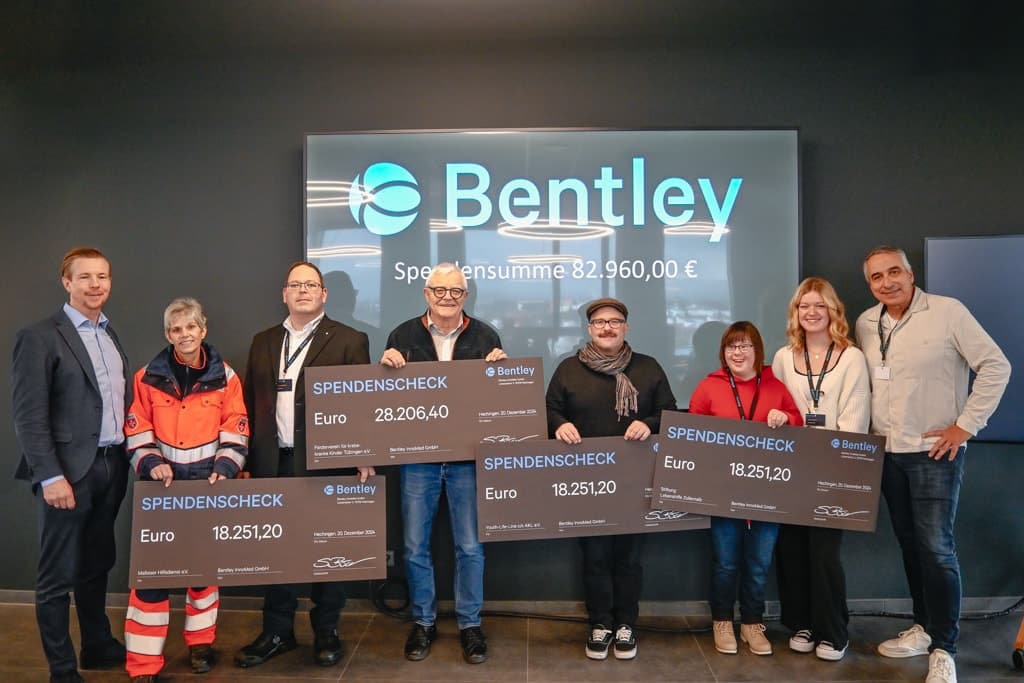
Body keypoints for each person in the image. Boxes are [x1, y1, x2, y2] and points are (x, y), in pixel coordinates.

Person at [855, 246, 1010, 683]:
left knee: (937, 550)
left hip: (934, 453)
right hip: (886, 453)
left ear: (911, 273)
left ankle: (945, 649)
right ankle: (923, 628)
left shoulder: (948, 312)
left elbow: (996, 366)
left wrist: (965, 426)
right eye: (876, 277)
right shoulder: (867, 323)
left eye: (894, 272)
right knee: (910, 545)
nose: (887, 282)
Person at [235, 261, 372, 669]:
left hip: (325, 462)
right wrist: (245, 458)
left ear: (324, 294)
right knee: (275, 549)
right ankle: (277, 631)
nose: (303, 291)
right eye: (295, 285)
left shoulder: (350, 340)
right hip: (272, 461)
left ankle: (326, 630)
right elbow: (249, 402)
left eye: (311, 285)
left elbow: (362, 403)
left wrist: (364, 452)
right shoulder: (263, 341)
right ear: (284, 294)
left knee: (328, 548)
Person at [12, 247, 130, 683]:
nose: (95, 285)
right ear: (67, 282)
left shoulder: (109, 335)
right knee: (57, 577)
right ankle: (62, 670)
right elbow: (29, 415)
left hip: (111, 467)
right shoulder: (39, 336)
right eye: (84, 277)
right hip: (67, 474)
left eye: (102, 276)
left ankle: (97, 646)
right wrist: (50, 475)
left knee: (97, 566)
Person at [379, 262, 506, 665]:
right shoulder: (402, 335)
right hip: (419, 457)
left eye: (455, 291)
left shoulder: (485, 336)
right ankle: (423, 622)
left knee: (470, 546)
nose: (447, 297)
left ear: (465, 296)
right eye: (440, 290)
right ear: (426, 293)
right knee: (415, 545)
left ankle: (470, 624)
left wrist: (503, 373)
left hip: (468, 457)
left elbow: (498, 400)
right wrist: (385, 369)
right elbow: (387, 399)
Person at [122, 298, 248, 682]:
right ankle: (143, 664)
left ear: (203, 330)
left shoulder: (227, 377)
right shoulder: (146, 378)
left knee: (204, 572)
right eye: (176, 329)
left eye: (191, 327)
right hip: (161, 489)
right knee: (151, 578)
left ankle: (200, 645)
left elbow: (236, 426)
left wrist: (224, 469)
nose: (184, 335)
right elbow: (137, 429)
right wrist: (150, 463)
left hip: (207, 487)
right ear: (168, 334)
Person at [546, 297, 677, 661]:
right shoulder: (568, 369)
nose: (607, 327)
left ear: (626, 327)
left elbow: (669, 412)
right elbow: (549, 409)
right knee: (595, 556)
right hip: (586, 480)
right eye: (600, 322)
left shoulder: (648, 367)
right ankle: (600, 623)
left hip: (636, 479)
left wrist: (649, 424)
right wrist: (560, 425)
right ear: (590, 329)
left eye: (615, 321)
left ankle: (626, 625)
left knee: (629, 557)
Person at [771, 277, 870, 662]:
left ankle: (833, 631)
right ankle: (802, 624)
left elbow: (855, 420)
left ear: (833, 311)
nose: (811, 312)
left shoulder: (851, 357)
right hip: (791, 469)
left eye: (819, 305)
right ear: (795, 312)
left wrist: (829, 459)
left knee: (824, 554)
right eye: (804, 306)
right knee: (793, 549)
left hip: (834, 468)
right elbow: (778, 407)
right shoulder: (783, 357)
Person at [688, 321, 802, 657]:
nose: (738, 353)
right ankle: (722, 620)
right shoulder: (708, 386)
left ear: (757, 351)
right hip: (722, 490)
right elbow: (690, 433)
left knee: (759, 562)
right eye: (731, 346)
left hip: (768, 492)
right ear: (723, 352)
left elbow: (798, 421)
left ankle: (752, 622)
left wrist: (787, 418)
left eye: (745, 346)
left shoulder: (776, 386)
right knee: (725, 562)